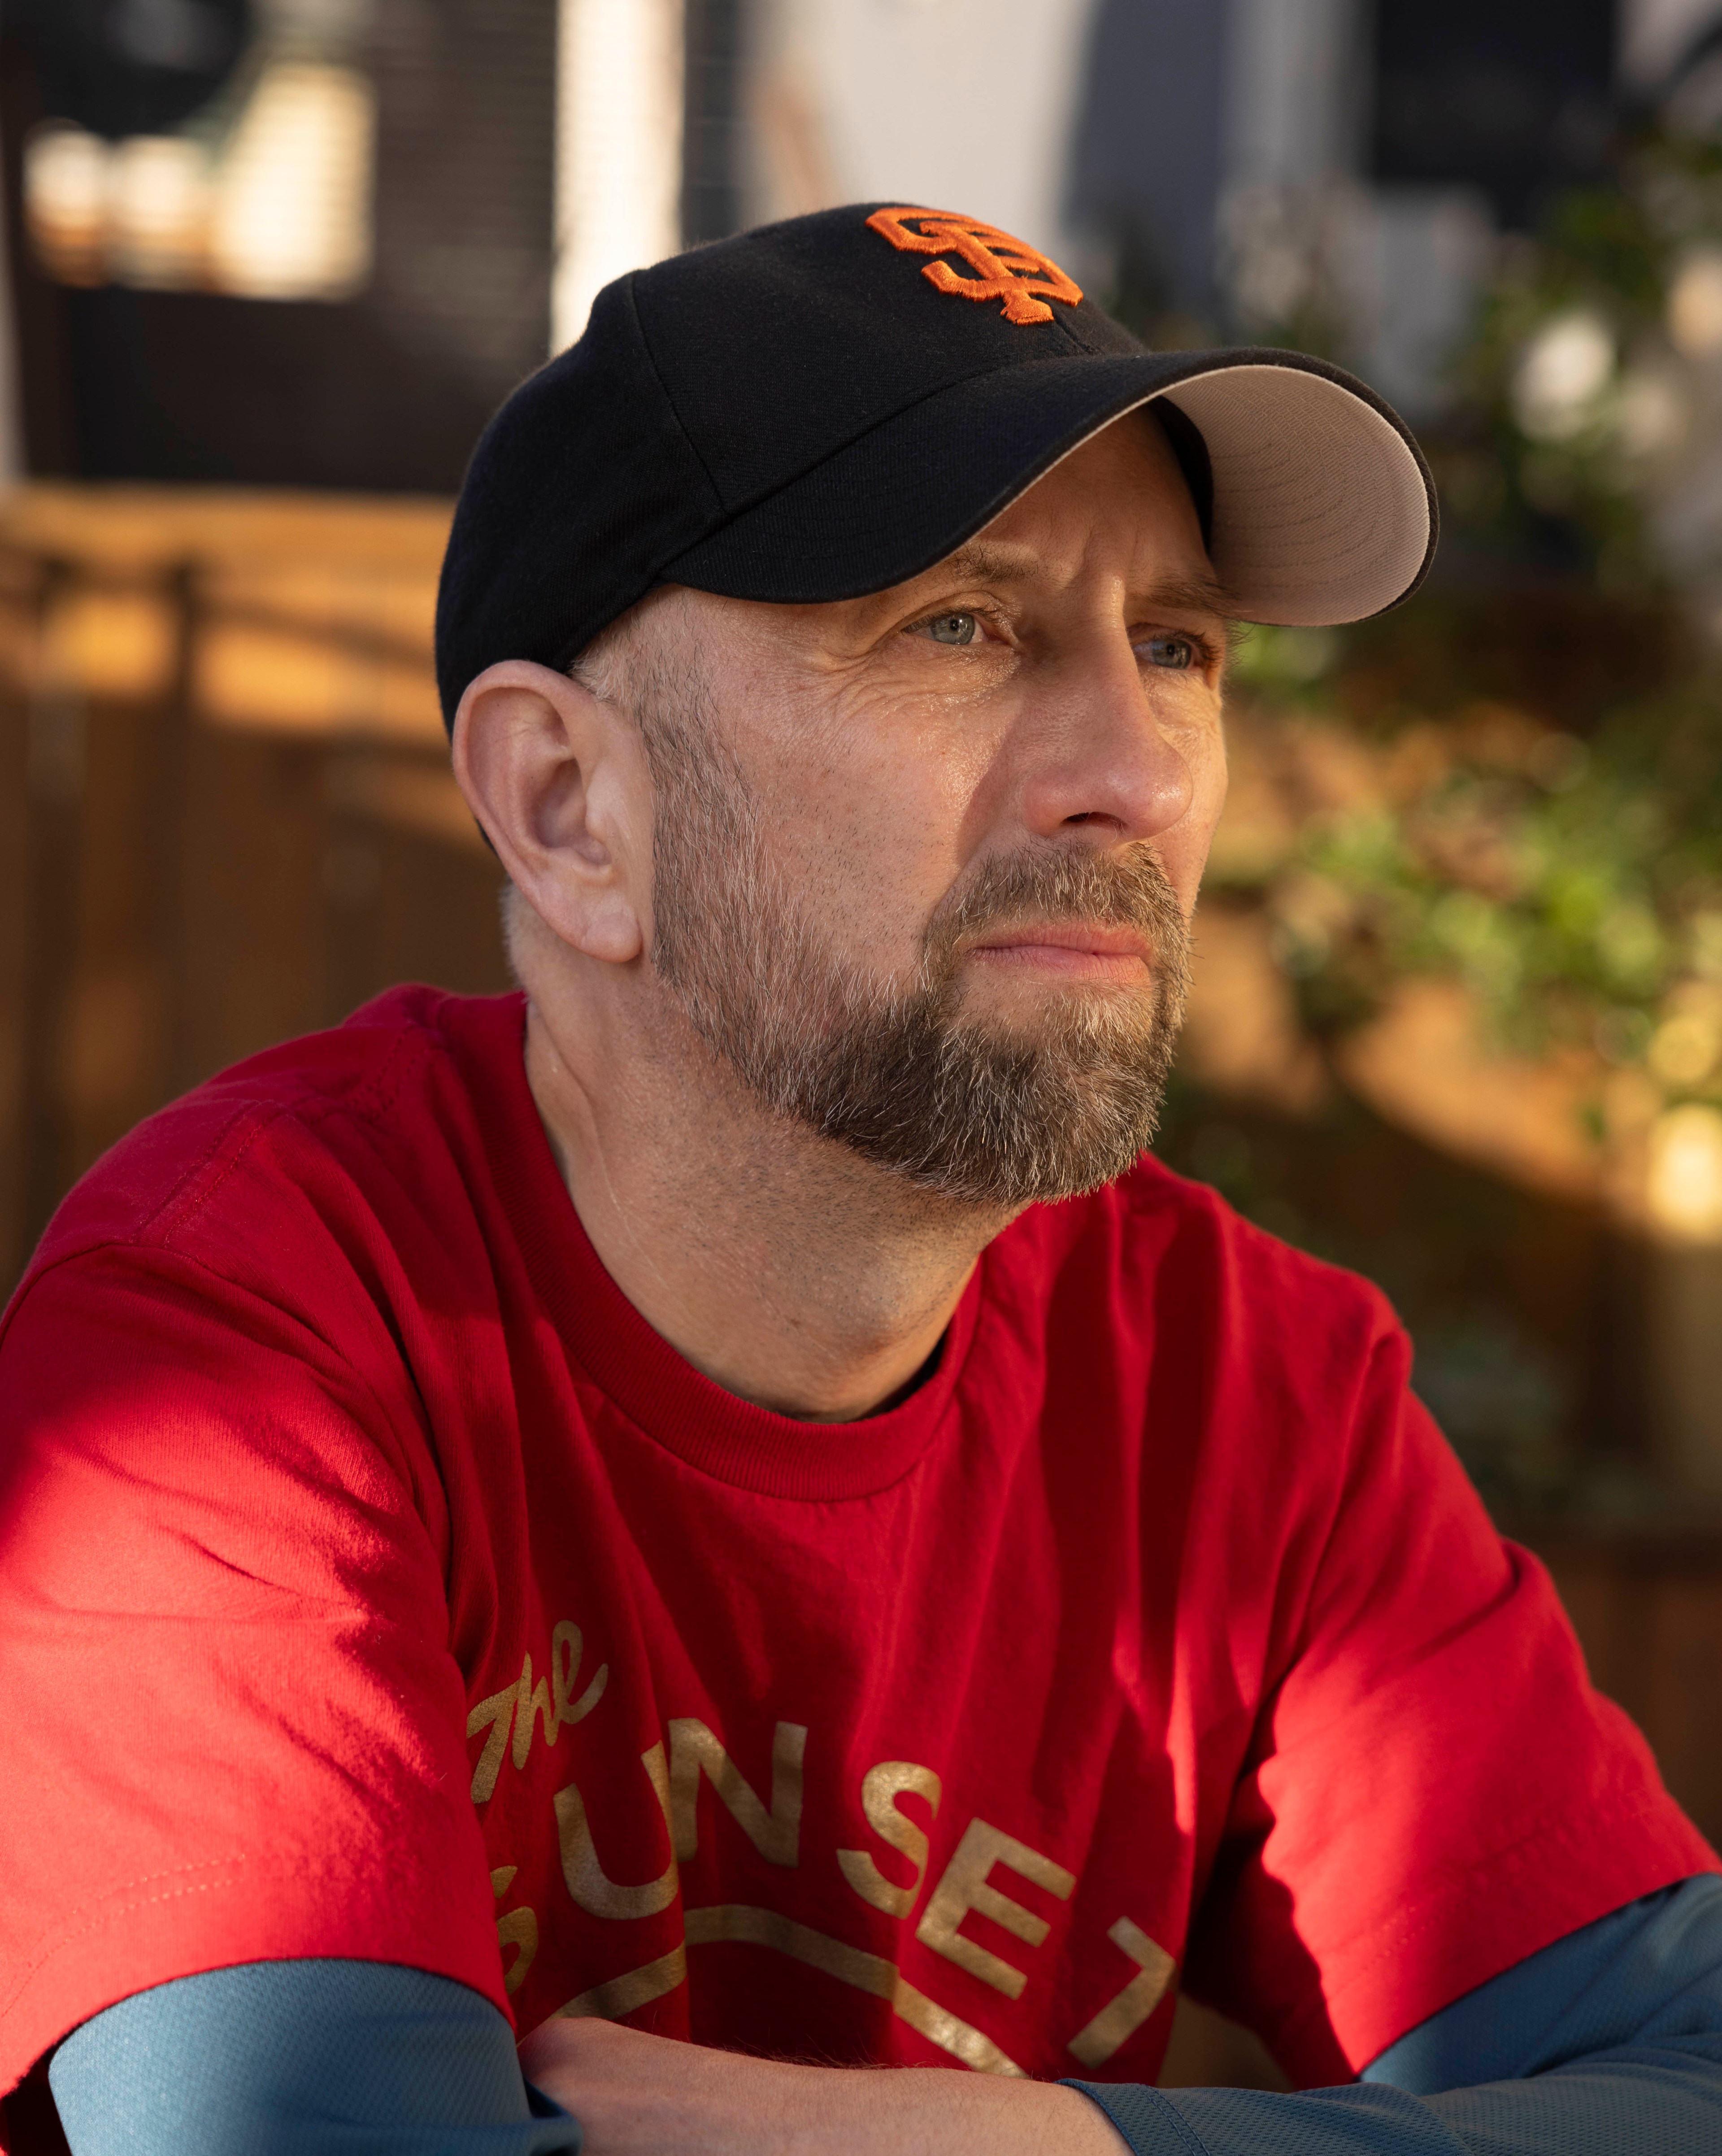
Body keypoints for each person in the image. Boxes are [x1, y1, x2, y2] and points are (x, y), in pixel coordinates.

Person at [1, 204, 1719, 2156]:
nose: (1138, 773)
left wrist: (1021, 2142)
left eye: (1175, 646)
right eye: (961, 625)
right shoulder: (232, 1349)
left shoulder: (1254, 1399)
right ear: (572, 808)